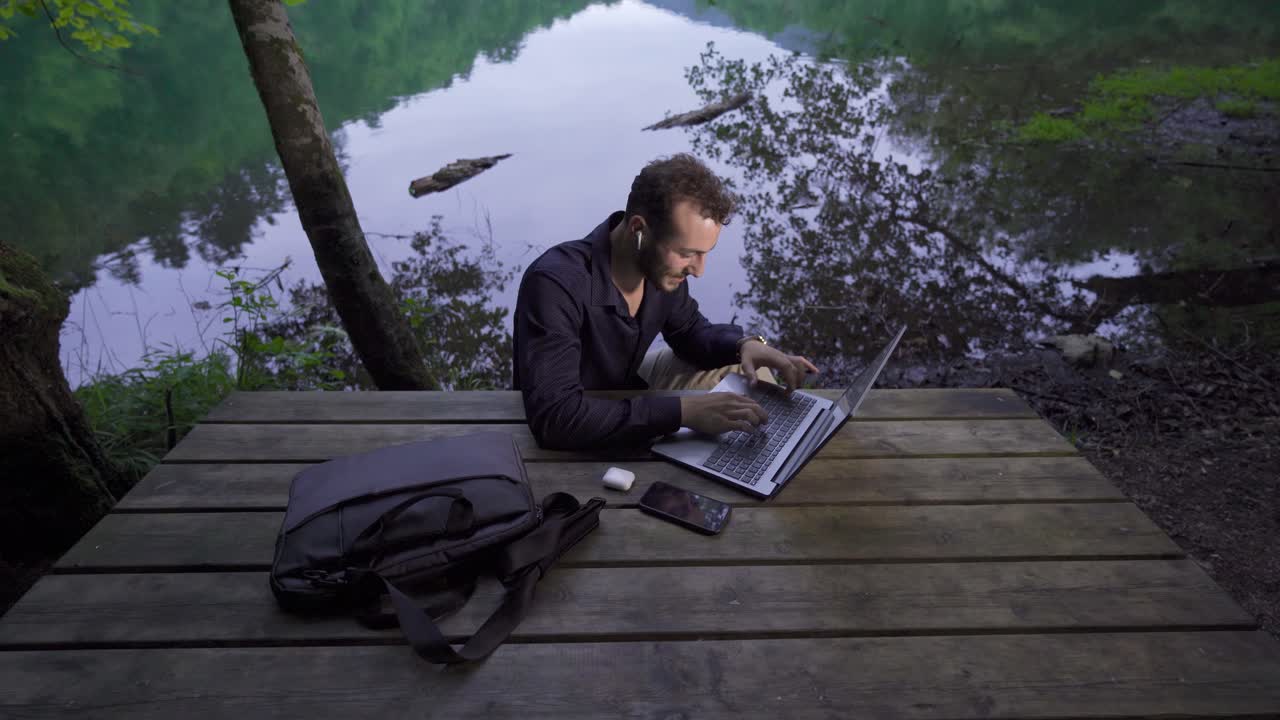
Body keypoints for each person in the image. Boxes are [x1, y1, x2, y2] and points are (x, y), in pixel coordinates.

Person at [512, 153, 819, 450]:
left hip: (624, 384)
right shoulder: (555, 284)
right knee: (723, 395)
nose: (699, 270)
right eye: (687, 253)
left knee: (747, 372)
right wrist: (683, 413)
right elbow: (555, 419)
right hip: (573, 408)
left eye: (704, 253)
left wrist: (745, 346)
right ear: (638, 230)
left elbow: (690, 333)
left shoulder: (658, 269)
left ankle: (760, 464)